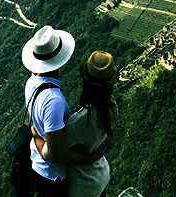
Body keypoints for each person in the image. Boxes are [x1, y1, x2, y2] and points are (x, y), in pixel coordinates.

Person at [22, 26, 105, 196]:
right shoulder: (54, 100)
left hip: (37, 167)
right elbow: (56, 154)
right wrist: (89, 159)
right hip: (54, 177)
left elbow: (36, 126)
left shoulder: (31, 82)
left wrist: (36, 134)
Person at [33, 51, 119, 197]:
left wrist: (35, 134)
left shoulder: (82, 121)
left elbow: (51, 153)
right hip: (100, 174)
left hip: (83, 184)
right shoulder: (112, 106)